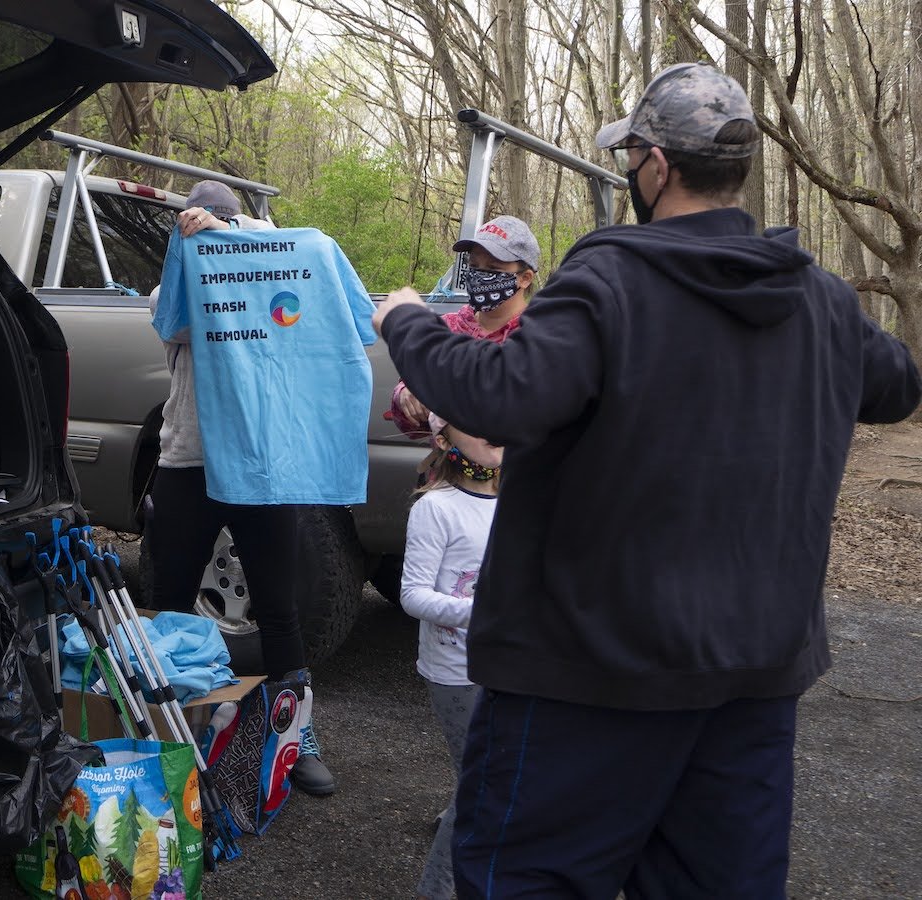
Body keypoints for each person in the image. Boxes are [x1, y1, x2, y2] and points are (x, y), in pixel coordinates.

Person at [372, 62, 922, 898]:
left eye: (632, 158)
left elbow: (497, 395)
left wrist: (405, 318)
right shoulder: (821, 298)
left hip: (587, 679)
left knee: (525, 879)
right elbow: (897, 387)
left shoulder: (610, 282)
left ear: (655, 166)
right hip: (751, 680)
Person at [146, 180, 336, 796]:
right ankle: (165, 730)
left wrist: (232, 233)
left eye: (223, 229)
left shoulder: (273, 273)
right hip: (188, 462)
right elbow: (172, 322)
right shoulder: (174, 284)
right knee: (169, 599)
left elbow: (293, 272)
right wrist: (192, 244)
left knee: (279, 608)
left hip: (262, 465)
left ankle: (296, 737)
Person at [399, 414, 501, 900]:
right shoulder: (435, 509)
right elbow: (413, 596)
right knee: (481, 788)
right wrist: (486, 614)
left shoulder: (517, 503)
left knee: (484, 774)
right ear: (443, 437)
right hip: (456, 672)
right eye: (476, 421)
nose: (493, 429)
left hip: (508, 666)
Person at [386, 216, 539, 438]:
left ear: (525, 278)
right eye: (474, 266)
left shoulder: (537, 337)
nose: (478, 275)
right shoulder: (446, 328)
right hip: (446, 471)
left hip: (516, 471)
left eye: (493, 268)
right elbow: (410, 421)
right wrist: (406, 395)